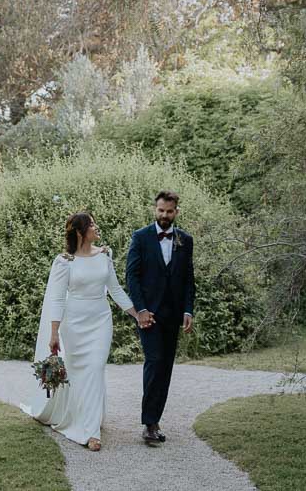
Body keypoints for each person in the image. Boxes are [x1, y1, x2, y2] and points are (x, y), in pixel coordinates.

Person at [22, 212, 143, 451]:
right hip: (74, 324)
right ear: (79, 232)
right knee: (79, 375)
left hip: (100, 320)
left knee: (96, 368)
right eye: (91, 225)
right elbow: (57, 298)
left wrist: (137, 314)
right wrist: (54, 333)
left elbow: (115, 289)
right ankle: (84, 420)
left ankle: (91, 432)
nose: (96, 228)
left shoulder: (105, 254)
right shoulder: (64, 261)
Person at [125, 191, 195, 445]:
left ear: (176, 211)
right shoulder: (140, 237)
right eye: (161, 211)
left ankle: (154, 419)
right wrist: (140, 309)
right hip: (149, 315)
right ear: (155, 210)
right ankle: (149, 423)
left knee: (165, 366)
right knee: (154, 361)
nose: (164, 215)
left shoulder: (184, 240)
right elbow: (132, 276)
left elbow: (188, 279)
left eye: (169, 211)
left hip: (173, 315)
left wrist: (188, 310)